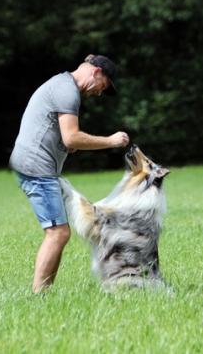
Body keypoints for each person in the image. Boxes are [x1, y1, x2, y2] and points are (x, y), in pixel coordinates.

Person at [9, 54, 130, 293]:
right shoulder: (68, 91)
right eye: (102, 87)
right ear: (96, 72)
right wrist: (111, 140)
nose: (98, 93)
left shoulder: (62, 85)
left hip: (33, 165)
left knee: (58, 232)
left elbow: (63, 135)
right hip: (36, 168)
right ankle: (39, 296)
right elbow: (71, 136)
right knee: (57, 233)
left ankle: (44, 293)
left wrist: (67, 144)